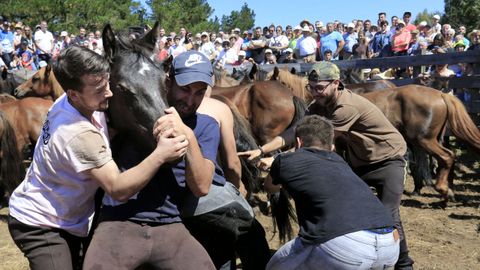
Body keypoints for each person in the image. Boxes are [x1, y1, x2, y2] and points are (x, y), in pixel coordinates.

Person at [7, 45, 189, 270]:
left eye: (108, 84)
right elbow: (117, 187)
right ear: (74, 94)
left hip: (69, 218)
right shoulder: (78, 134)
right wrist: (161, 154)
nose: (109, 94)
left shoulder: (69, 103)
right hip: (41, 222)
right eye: (99, 89)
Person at [84, 51, 269, 270]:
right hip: (120, 220)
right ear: (168, 81)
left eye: (200, 93)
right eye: (185, 89)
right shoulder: (134, 112)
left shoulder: (206, 125)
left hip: (170, 222)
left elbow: (201, 186)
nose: (190, 100)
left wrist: (188, 136)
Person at [240, 61, 415, 270]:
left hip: (388, 160)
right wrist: (263, 149)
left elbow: (315, 146)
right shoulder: (318, 105)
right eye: (311, 87)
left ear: (336, 83)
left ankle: (404, 265)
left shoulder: (345, 107)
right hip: (359, 161)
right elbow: (297, 131)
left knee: (388, 214)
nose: (314, 93)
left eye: (319, 87)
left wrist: (279, 160)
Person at [261, 115, 400, 270]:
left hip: (345, 245)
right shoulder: (341, 163)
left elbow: (270, 187)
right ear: (332, 146)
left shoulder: (286, 160)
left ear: (299, 143)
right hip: (390, 244)